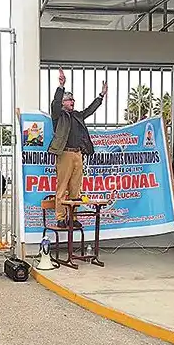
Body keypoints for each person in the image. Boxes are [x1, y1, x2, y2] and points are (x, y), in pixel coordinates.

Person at [48, 68, 107, 228]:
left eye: (73, 100)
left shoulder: (77, 115)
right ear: (63, 103)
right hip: (65, 154)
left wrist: (100, 96)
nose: (72, 102)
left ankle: (72, 218)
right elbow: (54, 103)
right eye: (69, 100)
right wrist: (61, 86)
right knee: (62, 187)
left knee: (75, 188)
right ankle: (60, 218)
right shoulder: (58, 115)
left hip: (78, 154)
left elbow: (90, 110)